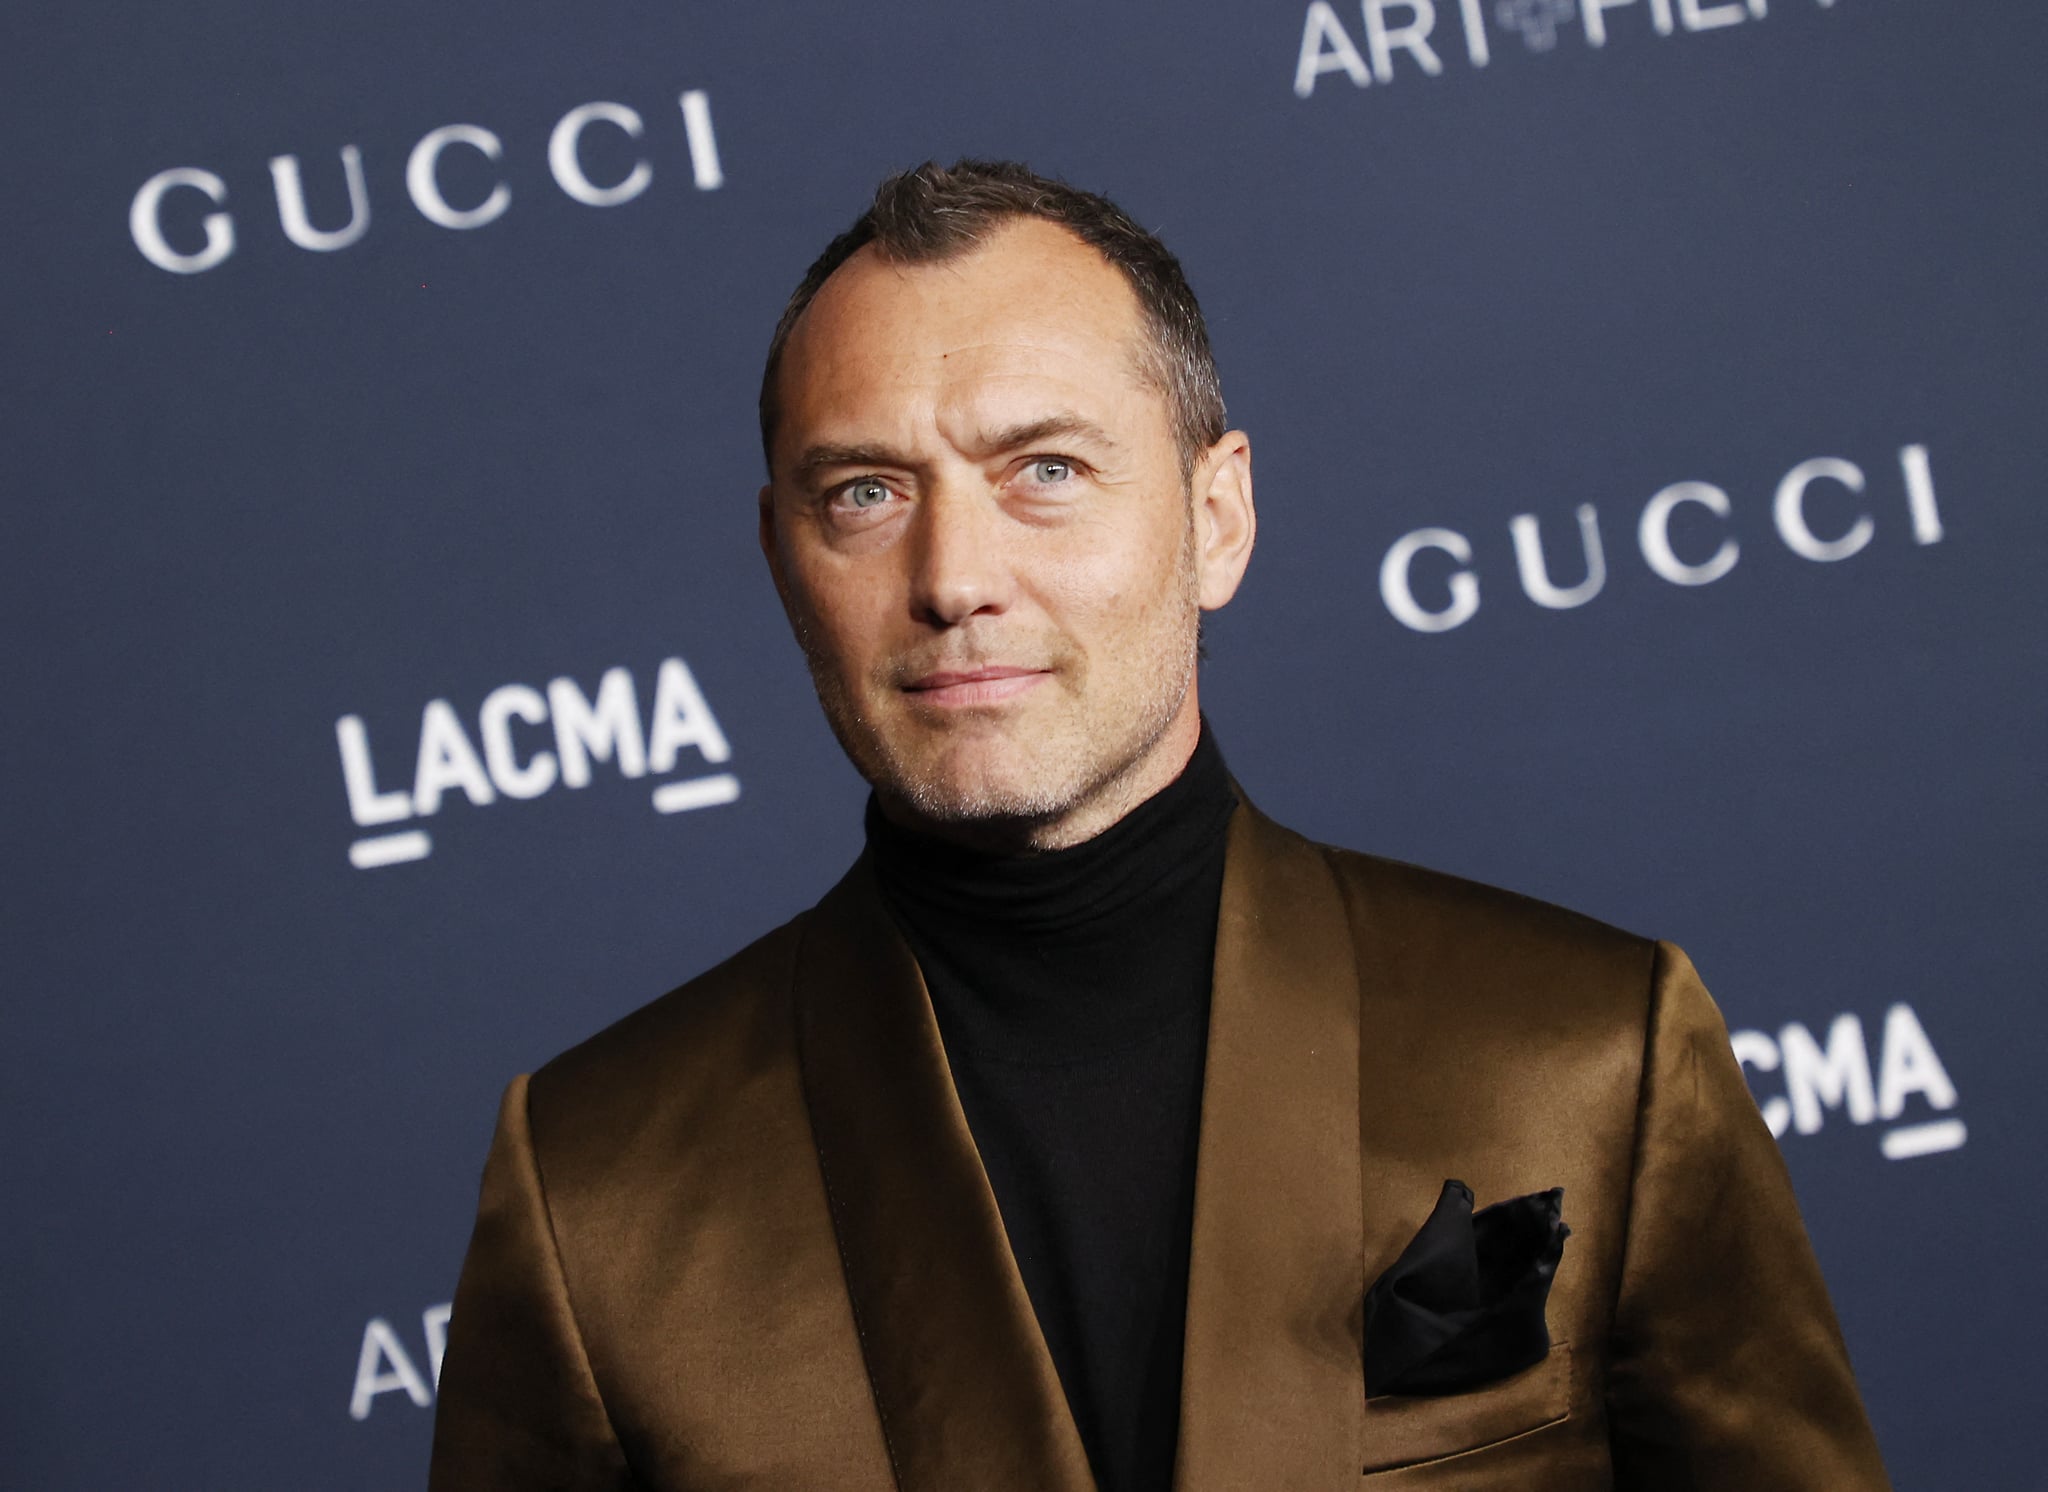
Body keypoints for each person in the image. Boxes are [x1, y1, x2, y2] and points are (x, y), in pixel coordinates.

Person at [428, 159, 1890, 1491]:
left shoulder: (1588, 1051)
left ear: (1219, 519)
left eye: (1044, 473)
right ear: (780, 560)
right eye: (866, 495)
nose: (956, 577)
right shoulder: (596, 1189)